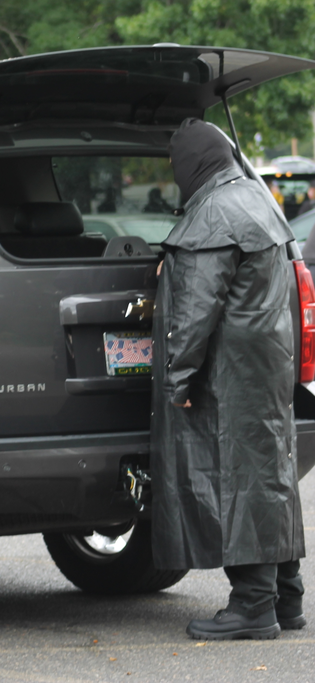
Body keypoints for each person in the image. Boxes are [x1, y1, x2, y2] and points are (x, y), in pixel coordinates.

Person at [152, 118, 305, 641]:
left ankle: (253, 607)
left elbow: (194, 311)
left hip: (231, 373)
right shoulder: (256, 199)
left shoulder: (214, 213)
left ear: (192, 165)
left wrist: (176, 382)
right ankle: (287, 598)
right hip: (268, 364)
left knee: (240, 481)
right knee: (269, 475)